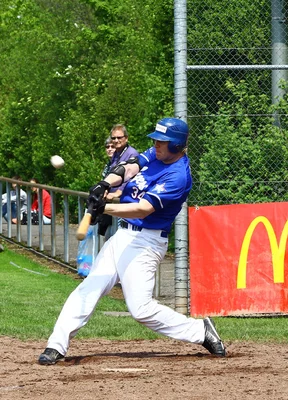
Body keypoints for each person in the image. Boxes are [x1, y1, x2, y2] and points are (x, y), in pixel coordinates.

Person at [38, 117, 226, 365]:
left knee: (141, 309)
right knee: (89, 288)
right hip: (123, 236)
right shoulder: (157, 155)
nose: (156, 144)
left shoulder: (178, 176)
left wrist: (104, 208)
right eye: (156, 140)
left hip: (147, 243)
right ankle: (56, 345)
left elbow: (143, 209)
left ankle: (201, 331)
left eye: (162, 141)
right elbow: (130, 167)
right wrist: (105, 183)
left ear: (177, 144)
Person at [106, 124, 139, 201]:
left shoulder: (132, 154)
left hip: (124, 199)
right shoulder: (116, 153)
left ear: (126, 138)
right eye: (113, 138)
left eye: (119, 137)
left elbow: (132, 177)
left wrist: (119, 192)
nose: (116, 140)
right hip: (111, 198)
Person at [98, 137, 117, 237]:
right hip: (106, 202)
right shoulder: (108, 164)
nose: (109, 149)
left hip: (116, 202)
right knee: (106, 235)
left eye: (112, 146)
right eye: (107, 147)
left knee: (112, 235)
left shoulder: (120, 163)